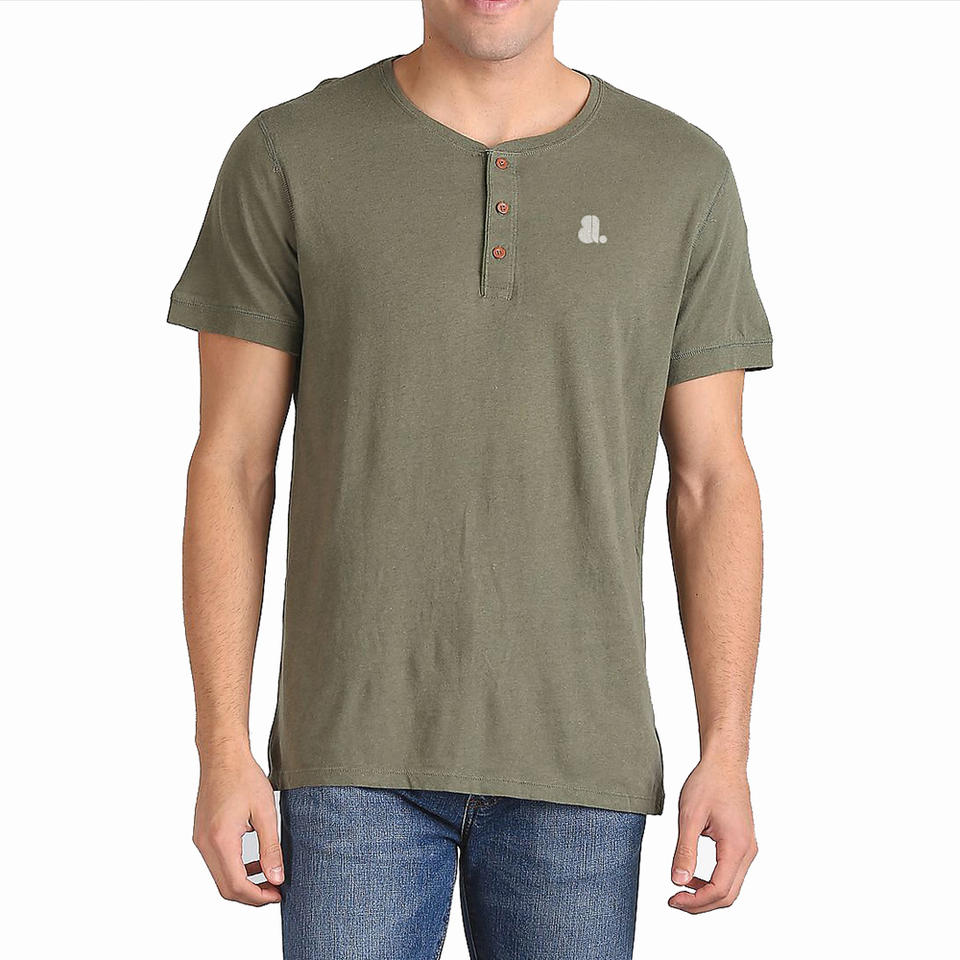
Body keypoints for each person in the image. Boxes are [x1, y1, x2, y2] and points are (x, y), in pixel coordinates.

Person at [168, 0, 772, 956]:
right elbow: (232, 464)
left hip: (582, 758)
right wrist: (221, 746)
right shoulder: (291, 155)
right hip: (350, 756)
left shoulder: (681, 174)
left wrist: (726, 750)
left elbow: (712, 481)